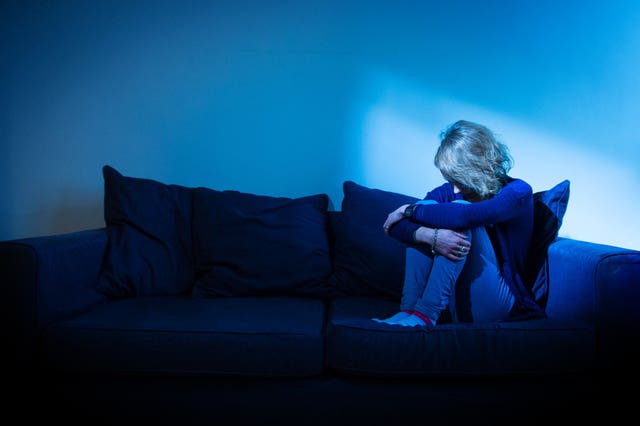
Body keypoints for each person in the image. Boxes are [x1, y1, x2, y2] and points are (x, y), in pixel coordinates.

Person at [373, 119, 543, 327]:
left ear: (478, 170)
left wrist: (408, 209)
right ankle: (409, 310)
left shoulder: (517, 192)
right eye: (450, 180)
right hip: (455, 299)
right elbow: (396, 227)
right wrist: (431, 237)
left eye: (459, 179)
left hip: (501, 301)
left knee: (455, 209)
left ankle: (425, 316)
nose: (453, 189)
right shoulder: (451, 190)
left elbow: (463, 217)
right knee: (429, 206)